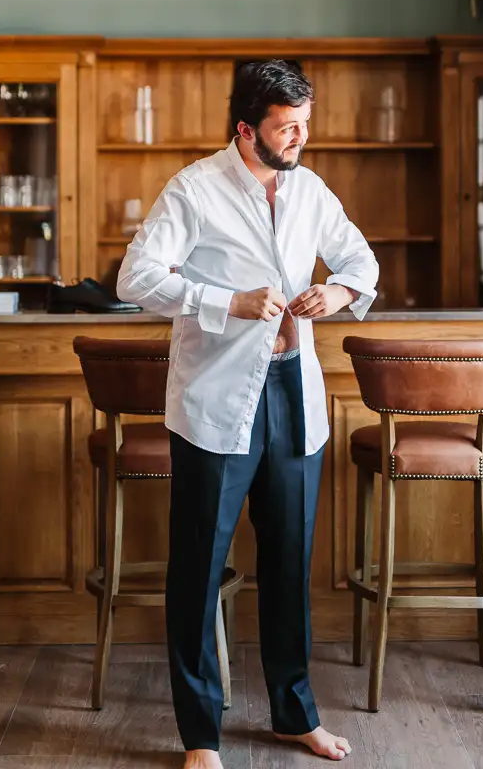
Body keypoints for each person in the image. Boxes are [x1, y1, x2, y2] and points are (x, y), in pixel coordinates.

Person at [117, 60, 378, 769]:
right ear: (244, 129)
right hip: (216, 402)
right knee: (198, 567)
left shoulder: (310, 188)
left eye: (303, 124)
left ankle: (295, 715)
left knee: (290, 563)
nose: (298, 138)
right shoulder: (194, 190)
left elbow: (360, 259)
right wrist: (224, 301)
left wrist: (341, 290)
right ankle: (200, 735)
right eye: (284, 127)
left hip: (295, 393)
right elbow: (136, 278)